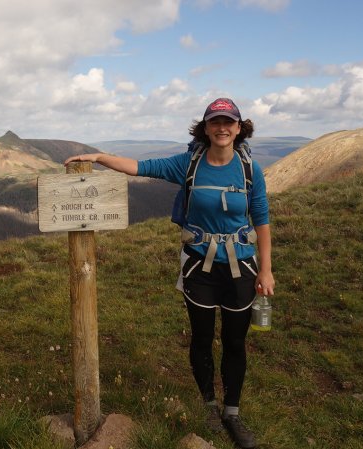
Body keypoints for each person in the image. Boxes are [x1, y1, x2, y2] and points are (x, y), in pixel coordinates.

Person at [64, 98, 275, 449]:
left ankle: (232, 413)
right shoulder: (188, 164)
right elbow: (140, 166)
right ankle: (209, 405)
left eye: (229, 122)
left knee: (236, 342)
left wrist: (266, 270)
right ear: (206, 129)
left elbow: (262, 220)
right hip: (199, 268)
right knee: (202, 339)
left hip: (241, 268)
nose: (222, 128)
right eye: (215, 122)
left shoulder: (250, 169)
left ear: (239, 128)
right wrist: (99, 158)